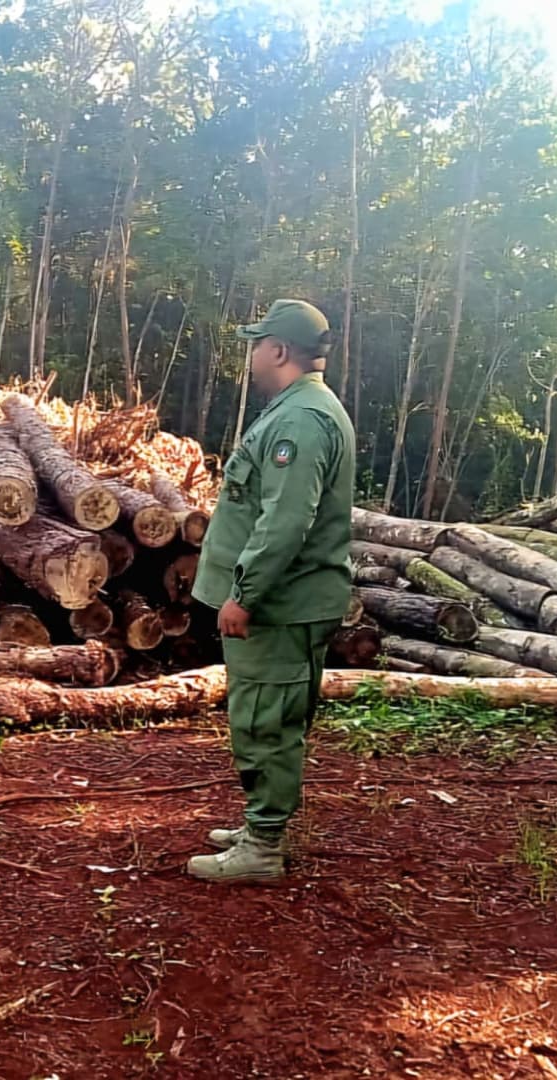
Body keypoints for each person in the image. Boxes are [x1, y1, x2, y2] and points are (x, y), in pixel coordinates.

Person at [187, 299, 355, 885]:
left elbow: (285, 521)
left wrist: (245, 594)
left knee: (265, 722)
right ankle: (261, 825)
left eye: (257, 344)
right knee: (268, 716)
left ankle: (262, 847)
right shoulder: (299, 410)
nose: (253, 354)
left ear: (279, 350)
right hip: (287, 604)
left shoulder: (300, 421)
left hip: (280, 607)